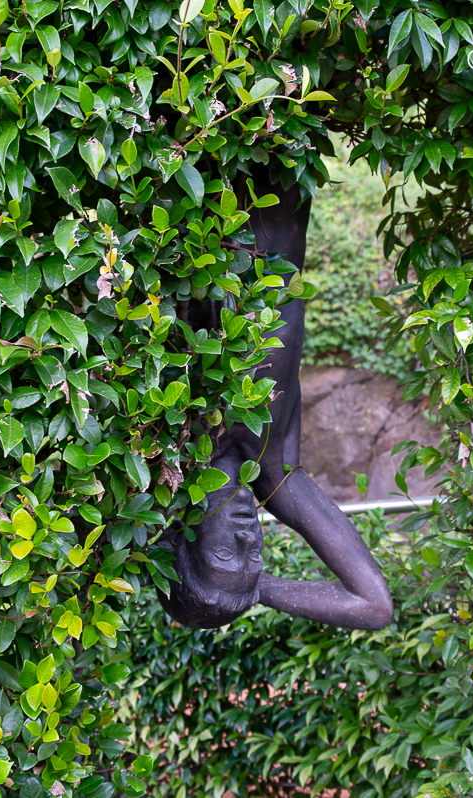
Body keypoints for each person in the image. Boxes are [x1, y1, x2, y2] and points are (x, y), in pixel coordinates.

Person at [158, 174, 395, 631]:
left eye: (229, 552)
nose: (250, 536)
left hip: (185, 195)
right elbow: (373, 607)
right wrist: (255, 589)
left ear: (181, 540)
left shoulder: (159, 457)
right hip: (273, 206)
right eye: (255, 557)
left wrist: (245, 586)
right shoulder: (276, 475)